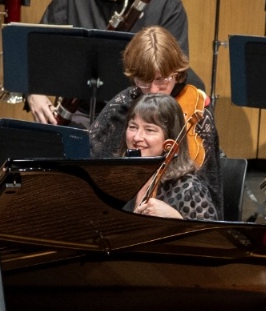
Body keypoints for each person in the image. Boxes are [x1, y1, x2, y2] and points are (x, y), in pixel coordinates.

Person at [27, 0, 189, 127]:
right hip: (79, 116)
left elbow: (176, 74)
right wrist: (33, 91)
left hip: (142, 117)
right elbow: (36, 55)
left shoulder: (167, 5)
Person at [90, 27, 222, 216]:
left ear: (176, 73)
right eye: (144, 81)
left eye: (161, 81)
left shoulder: (197, 112)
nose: (152, 90)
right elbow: (94, 158)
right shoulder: (124, 103)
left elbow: (210, 185)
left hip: (181, 205)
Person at [123, 94, 219, 221]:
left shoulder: (189, 188)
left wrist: (175, 218)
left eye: (149, 130)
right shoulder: (119, 179)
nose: (137, 137)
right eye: (133, 127)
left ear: (170, 137)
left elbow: (210, 233)